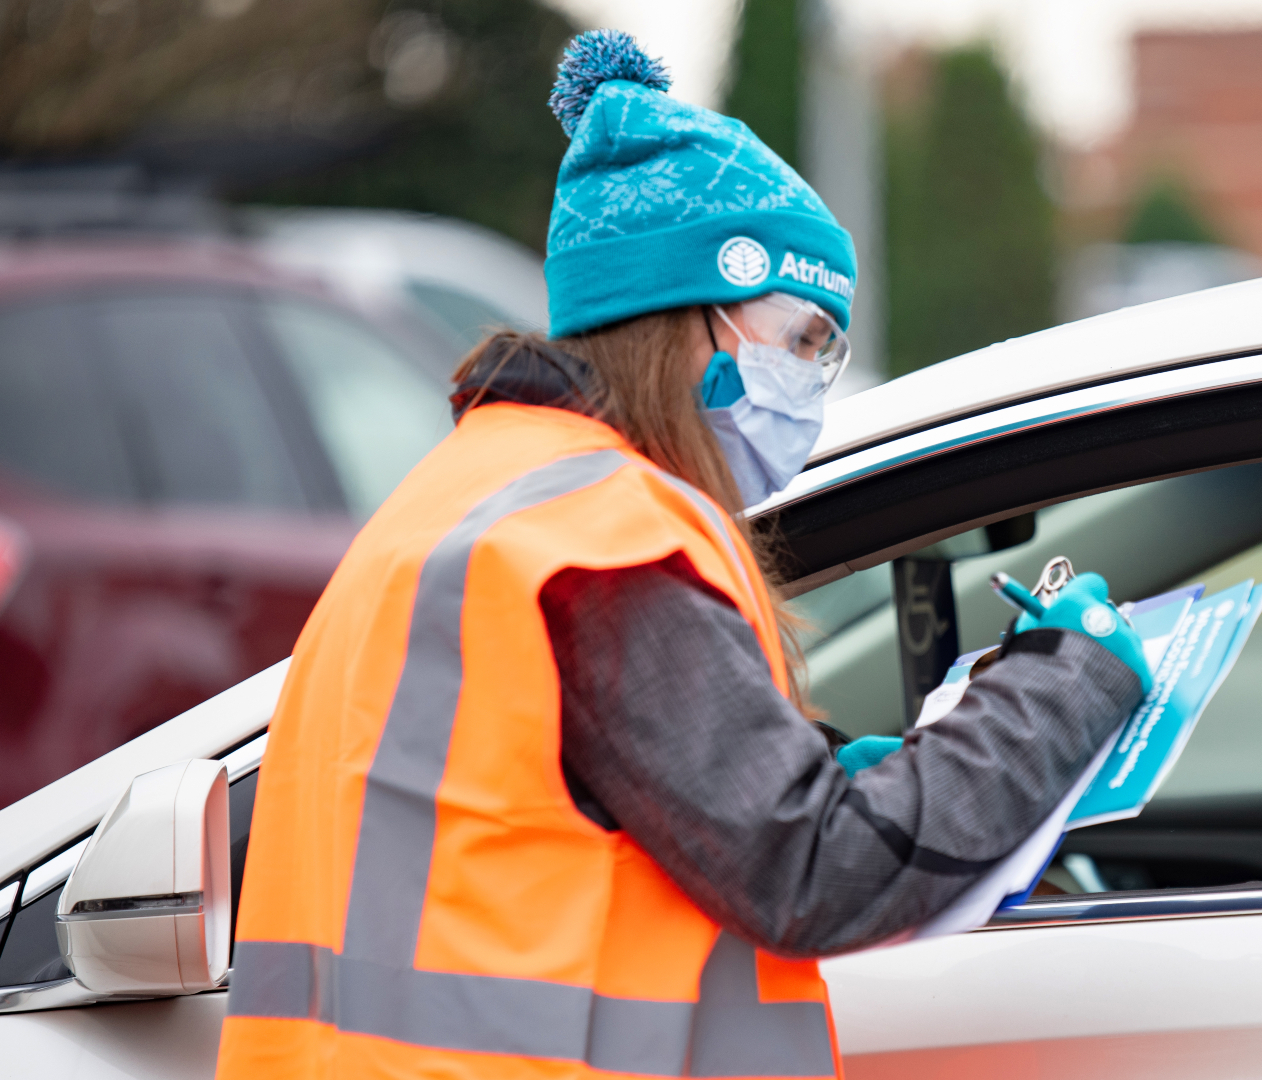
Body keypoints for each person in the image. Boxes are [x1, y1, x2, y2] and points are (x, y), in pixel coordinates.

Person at [215, 30, 1150, 1080]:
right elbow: (812, 870)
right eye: (803, 338)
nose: (816, 381)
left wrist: (839, 769)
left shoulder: (467, 498)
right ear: (691, 324)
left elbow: (560, 817)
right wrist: (1067, 682)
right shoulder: (606, 542)